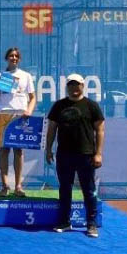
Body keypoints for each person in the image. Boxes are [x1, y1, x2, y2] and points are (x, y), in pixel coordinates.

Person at [45, 74, 105, 238]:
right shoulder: (59, 105)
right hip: (64, 154)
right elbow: (51, 129)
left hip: (86, 155)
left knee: (89, 190)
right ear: (67, 87)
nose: (74, 88)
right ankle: (64, 222)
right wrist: (48, 149)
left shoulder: (92, 106)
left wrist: (98, 153)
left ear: (83, 86)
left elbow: (100, 130)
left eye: (77, 85)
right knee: (65, 189)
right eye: (71, 85)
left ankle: (91, 224)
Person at [0, 47, 36, 197]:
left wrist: (29, 111)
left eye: (16, 56)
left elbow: (33, 97)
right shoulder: (0, 76)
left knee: (19, 151)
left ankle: (18, 186)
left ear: (19, 59)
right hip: (3, 114)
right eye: (11, 56)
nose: (13, 58)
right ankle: (4, 186)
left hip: (20, 115)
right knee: (4, 151)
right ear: (6, 58)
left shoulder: (26, 76)